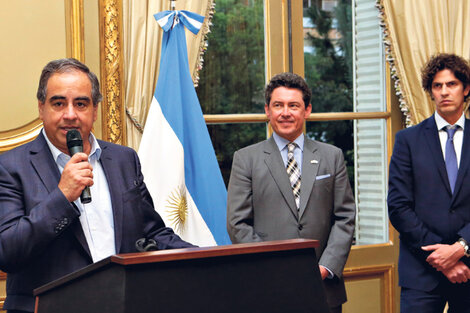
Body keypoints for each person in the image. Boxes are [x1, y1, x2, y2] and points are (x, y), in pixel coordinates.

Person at [0, 58, 194, 313]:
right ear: (41, 108)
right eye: (58, 103)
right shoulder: (10, 166)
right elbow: (8, 251)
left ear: (95, 110)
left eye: (80, 104)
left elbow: (152, 233)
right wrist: (62, 196)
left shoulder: (124, 159)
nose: (70, 114)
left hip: (121, 304)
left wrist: (208, 259)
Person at [227, 72, 356, 313]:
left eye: (293, 105)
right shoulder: (246, 159)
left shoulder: (332, 156)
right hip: (267, 287)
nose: (285, 112)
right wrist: (275, 268)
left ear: (306, 110)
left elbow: (345, 218)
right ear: (268, 110)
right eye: (278, 105)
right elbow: (237, 224)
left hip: (323, 288)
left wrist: (326, 267)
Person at [388, 53, 470, 312]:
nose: (444, 92)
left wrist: (461, 247)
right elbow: (398, 207)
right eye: (437, 86)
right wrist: (441, 258)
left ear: (466, 89)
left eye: (452, 84)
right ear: (430, 92)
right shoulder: (407, 140)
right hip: (420, 274)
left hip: (469, 269)